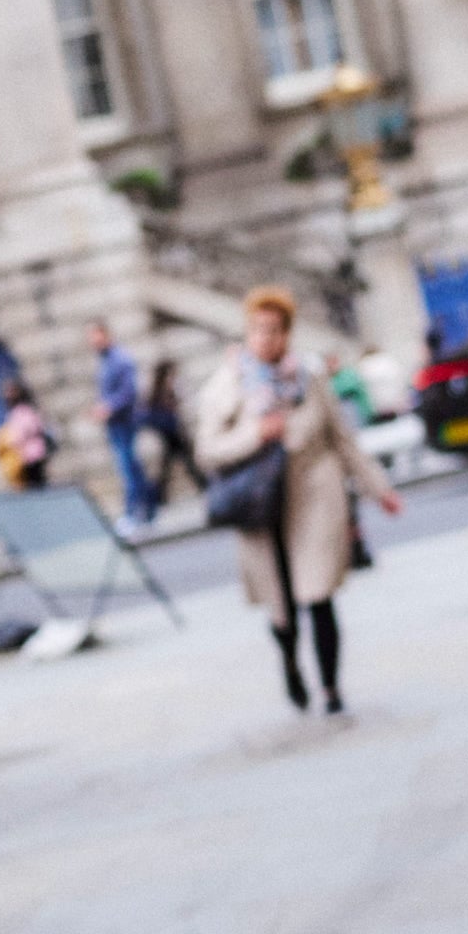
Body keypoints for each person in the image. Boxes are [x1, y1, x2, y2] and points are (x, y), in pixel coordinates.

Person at [195, 284, 401, 716]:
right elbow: (207, 450)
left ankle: (330, 687)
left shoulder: (311, 378)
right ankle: (290, 663)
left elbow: (342, 440)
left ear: (288, 333)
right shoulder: (226, 385)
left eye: (275, 330)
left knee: (320, 593)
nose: (266, 338)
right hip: (261, 506)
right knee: (282, 605)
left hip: (313, 499)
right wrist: (256, 434)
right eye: (258, 329)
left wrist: (379, 489)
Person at [88, 318, 156, 532]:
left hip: (125, 422)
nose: (92, 341)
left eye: (95, 336)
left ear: (106, 334)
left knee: (128, 468)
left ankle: (132, 514)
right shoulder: (105, 360)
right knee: (132, 468)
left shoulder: (120, 359)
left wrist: (109, 407)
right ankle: (148, 512)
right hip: (115, 424)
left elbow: (129, 392)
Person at [143, 359, 206, 499]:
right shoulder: (158, 390)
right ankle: (159, 495)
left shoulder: (170, 387)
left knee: (180, 463)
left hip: (174, 431)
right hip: (168, 433)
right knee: (182, 462)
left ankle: (160, 495)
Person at [0, 379, 52, 490]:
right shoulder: (14, 412)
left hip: (33, 455)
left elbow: (30, 429)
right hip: (23, 456)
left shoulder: (26, 410)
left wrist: (15, 440)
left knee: (37, 486)